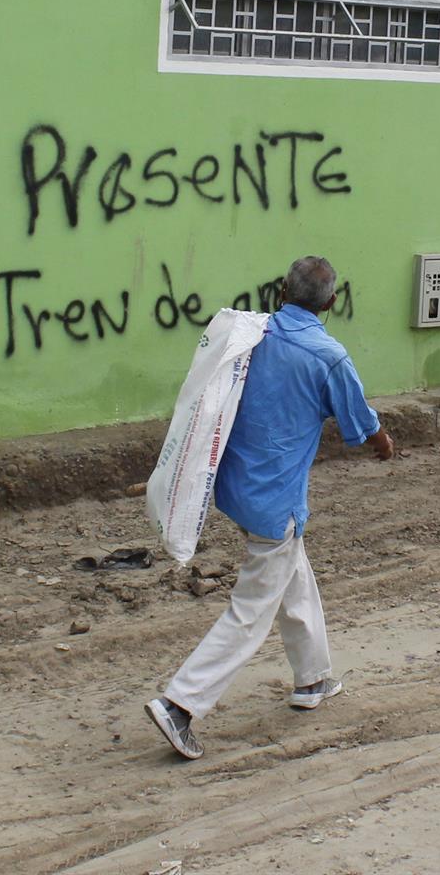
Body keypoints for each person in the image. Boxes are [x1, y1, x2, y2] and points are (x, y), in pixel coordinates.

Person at [145, 255, 395, 760]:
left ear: (282, 290)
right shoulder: (328, 356)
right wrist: (383, 440)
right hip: (273, 503)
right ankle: (181, 704)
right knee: (252, 610)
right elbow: (359, 424)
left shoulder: (253, 333)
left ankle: (313, 680)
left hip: (236, 489)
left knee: (292, 577)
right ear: (331, 302)